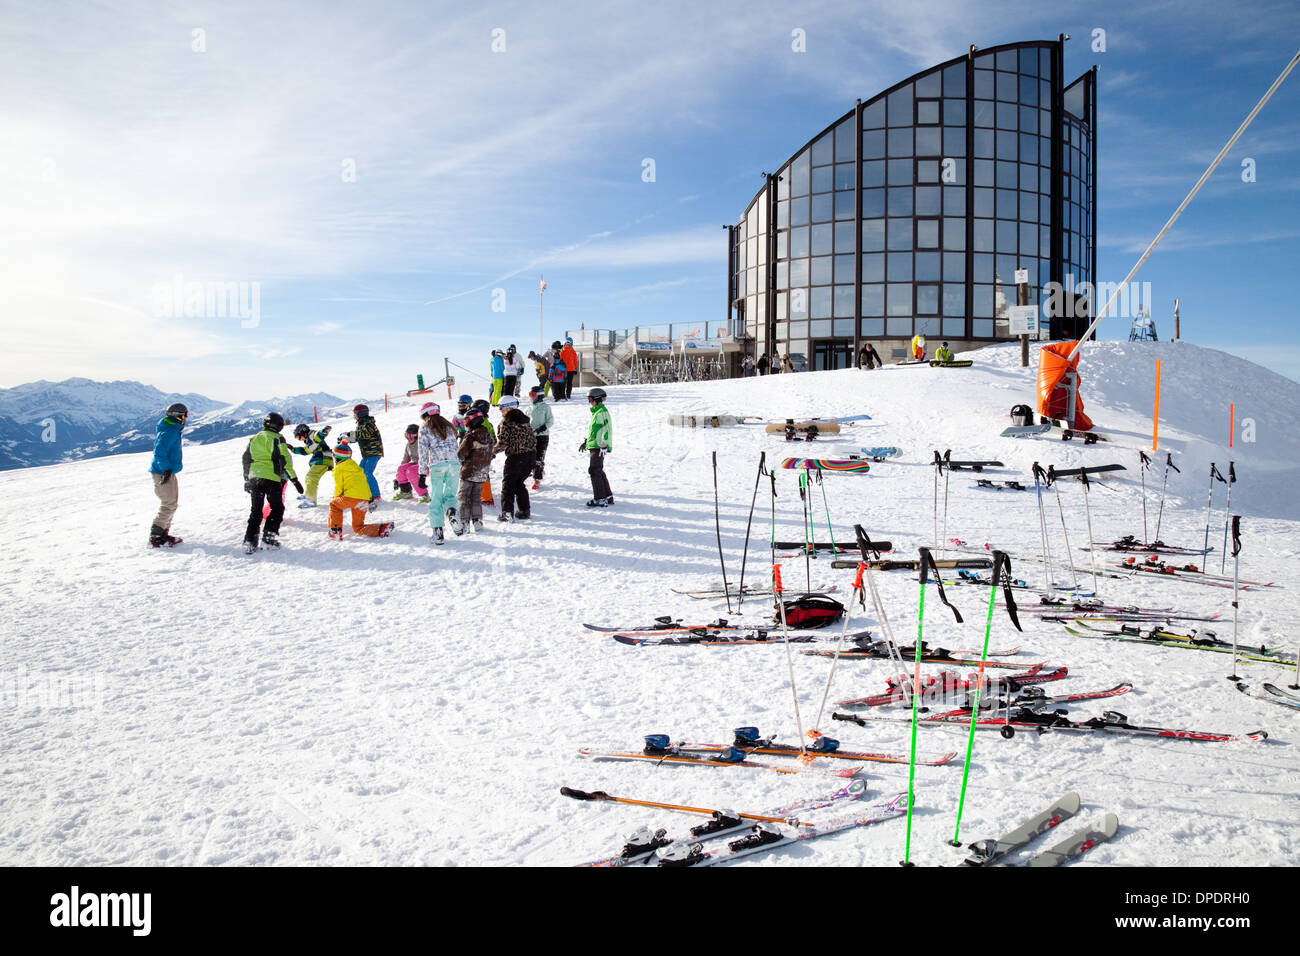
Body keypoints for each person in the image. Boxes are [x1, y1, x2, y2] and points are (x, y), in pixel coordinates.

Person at [242, 412, 303, 552]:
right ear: (278, 426)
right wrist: (295, 480)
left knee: (255, 511)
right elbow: (285, 461)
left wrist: (247, 479)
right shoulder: (277, 439)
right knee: (277, 508)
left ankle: (249, 542)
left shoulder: (254, 438)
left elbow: (246, 459)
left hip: (254, 478)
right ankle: (268, 539)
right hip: (272, 478)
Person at [328, 440, 394, 540]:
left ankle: (335, 531)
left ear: (337, 457)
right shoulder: (357, 468)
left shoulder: (339, 469)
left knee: (334, 505)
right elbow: (365, 483)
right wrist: (369, 498)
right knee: (358, 527)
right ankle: (381, 529)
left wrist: (336, 497)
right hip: (363, 499)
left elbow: (339, 486)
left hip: (350, 497)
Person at [417, 402, 459, 545]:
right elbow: (455, 446)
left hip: (437, 466)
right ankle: (452, 513)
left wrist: (422, 474)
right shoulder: (449, 426)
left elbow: (422, 453)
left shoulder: (425, 429)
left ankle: (438, 533)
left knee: (436, 498)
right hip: (453, 464)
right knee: (450, 495)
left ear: (425, 415)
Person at [148, 402, 188, 547]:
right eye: (185, 415)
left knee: (172, 503)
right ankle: (156, 537)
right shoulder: (169, 431)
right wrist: (165, 469)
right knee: (168, 504)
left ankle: (163, 534)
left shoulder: (172, 428)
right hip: (162, 472)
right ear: (178, 416)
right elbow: (159, 453)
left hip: (167, 471)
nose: (185, 418)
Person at [494, 396, 537, 521]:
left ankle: (507, 513)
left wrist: (491, 452)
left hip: (515, 457)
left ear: (507, 407)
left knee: (508, 485)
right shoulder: (525, 420)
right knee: (519, 484)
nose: (500, 410)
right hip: (530, 456)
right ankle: (524, 510)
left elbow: (503, 442)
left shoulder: (506, 422)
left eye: (500, 407)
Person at [455, 408, 493, 534]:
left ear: (472, 421)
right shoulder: (487, 435)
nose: (465, 423)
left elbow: (461, 454)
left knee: (463, 497)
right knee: (476, 497)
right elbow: (491, 451)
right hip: (482, 472)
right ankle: (477, 520)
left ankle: (464, 522)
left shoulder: (471, 436)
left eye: (466, 420)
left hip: (469, 472)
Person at [581, 387, 613, 507]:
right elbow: (596, 431)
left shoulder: (601, 412)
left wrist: (603, 445)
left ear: (597, 399)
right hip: (595, 445)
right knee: (598, 470)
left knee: (594, 471)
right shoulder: (598, 412)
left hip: (599, 446)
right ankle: (608, 495)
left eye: (590, 399)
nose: (589, 402)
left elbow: (606, 430)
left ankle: (600, 498)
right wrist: (587, 442)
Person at [291, 423, 335, 508]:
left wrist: (324, 432)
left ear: (303, 432)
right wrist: (293, 449)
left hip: (323, 459)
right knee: (309, 477)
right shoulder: (308, 441)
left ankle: (310, 500)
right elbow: (306, 451)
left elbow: (318, 435)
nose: (299, 439)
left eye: (298, 437)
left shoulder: (312, 435)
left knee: (311, 477)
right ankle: (308, 494)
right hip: (320, 460)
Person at [352, 404, 384, 501]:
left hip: (374, 452)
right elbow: (358, 437)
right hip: (367, 453)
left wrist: (350, 435)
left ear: (360, 414)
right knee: (359, 472)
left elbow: (364, 434)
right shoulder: (361, 424)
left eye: (355, 414)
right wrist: (346, 438)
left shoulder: (369, 423)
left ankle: (375, 495)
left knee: (367, 472)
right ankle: (362, 492)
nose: (354, 416)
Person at [527, 385, 553, 490]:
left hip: (542, 436)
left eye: (533, 395)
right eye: (530, 395)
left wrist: (542, 428)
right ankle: (537, 470)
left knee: (539, 458)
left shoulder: (545, 407)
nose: (531, 397)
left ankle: (537, 478)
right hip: (531, 436)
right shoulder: (529, 408)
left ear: (539, 396)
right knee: (530, 457)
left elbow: (550, 421)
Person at [393, 425, 421, 500]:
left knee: (410, 471)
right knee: (401, 468)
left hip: (426, 466)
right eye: (406, 435)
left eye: (411, 435)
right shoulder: (408, 446)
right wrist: (398, 478)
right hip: (416, 465)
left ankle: (424, 494)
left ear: (417, 435)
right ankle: (406, 492)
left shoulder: (421, 443)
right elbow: (405, 460)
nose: (408, 438)